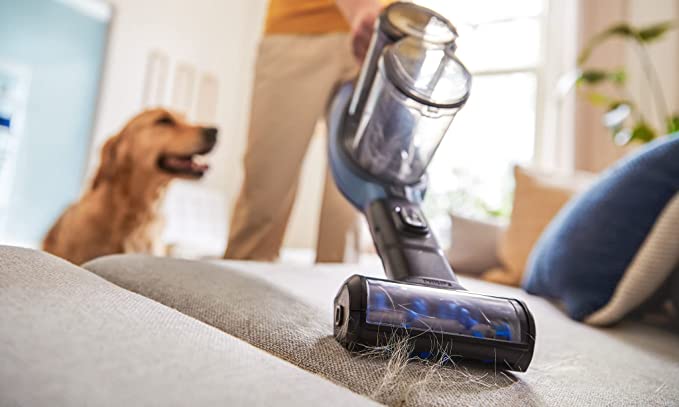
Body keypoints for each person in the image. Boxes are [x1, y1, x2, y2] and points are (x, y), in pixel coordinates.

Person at [224, 0, 389, 262]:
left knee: (348, 205)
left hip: (381, 37)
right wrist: (359, 7)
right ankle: (237, 283)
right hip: (298, 29)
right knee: (265, 191)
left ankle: (337, 285)